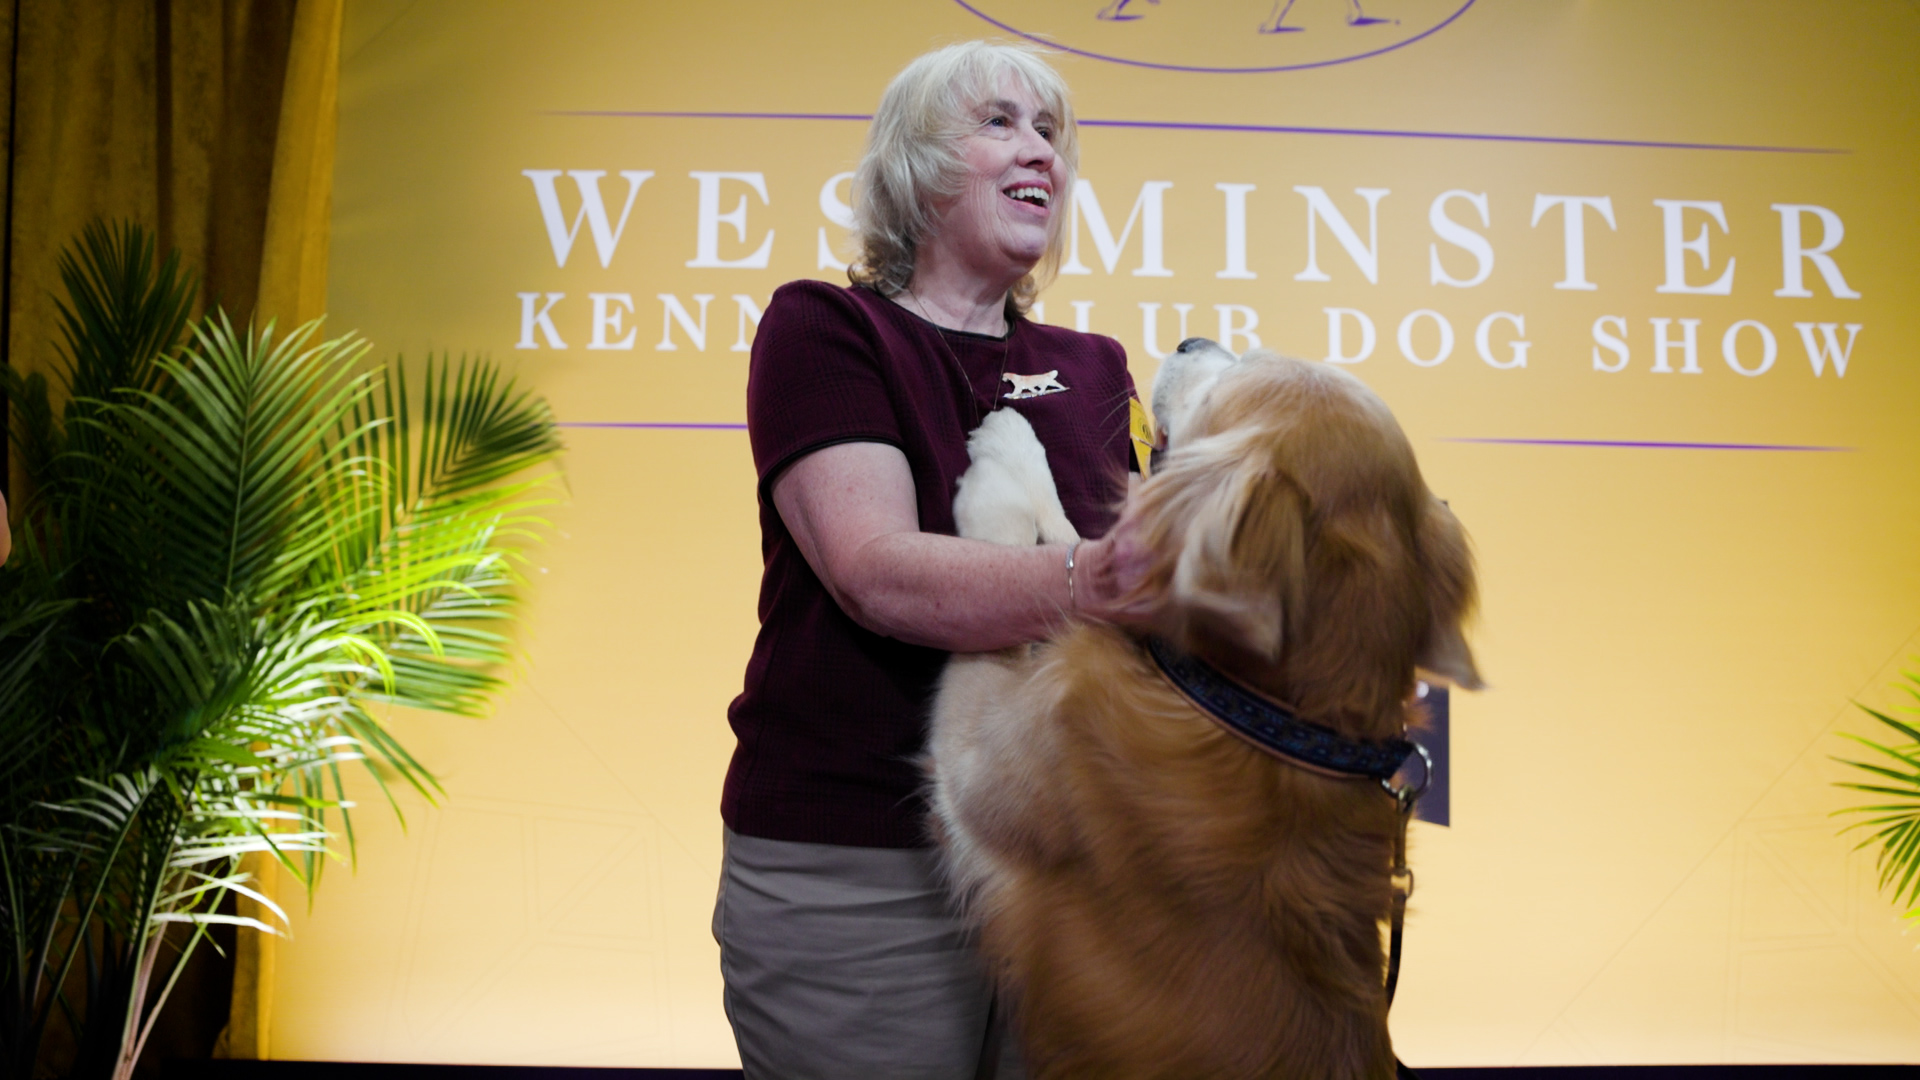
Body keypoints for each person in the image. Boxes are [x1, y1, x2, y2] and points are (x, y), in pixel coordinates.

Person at [714, 41, 1146, 1080]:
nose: (1037, 149)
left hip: (1071, 875)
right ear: (913, 166)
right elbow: (881, 574)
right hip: (858, 865)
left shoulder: (1095, 367)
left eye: (1050, 131)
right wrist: (1108, 584)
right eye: (998, 122)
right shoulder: (826, 327)